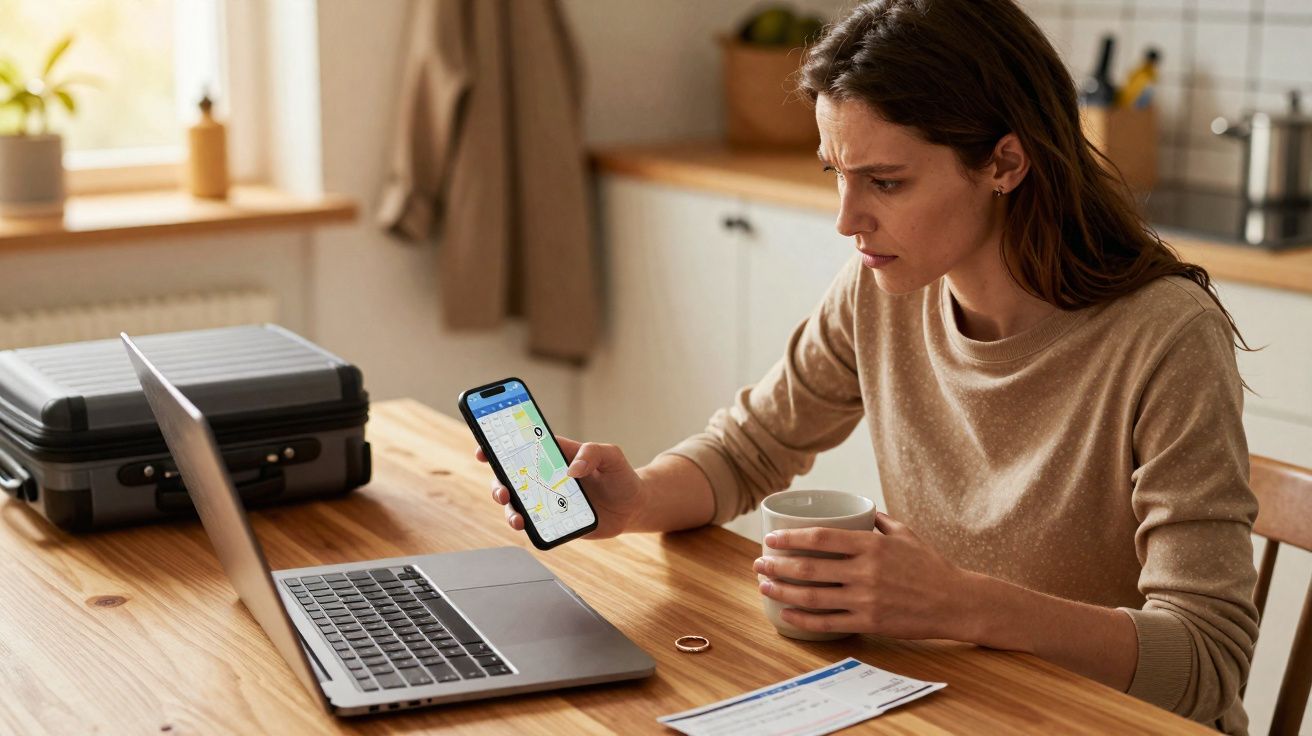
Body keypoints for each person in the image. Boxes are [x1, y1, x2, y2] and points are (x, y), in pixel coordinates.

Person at [478, 0, 1259, 732]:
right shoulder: (885, 287)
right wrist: (637, 499)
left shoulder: (1165, 337)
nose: (848, 220)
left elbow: (1207, 665)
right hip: (958, 707)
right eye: (836, 174)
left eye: (885, 182)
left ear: (1005, 163)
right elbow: (751, 448)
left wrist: (962, 606)